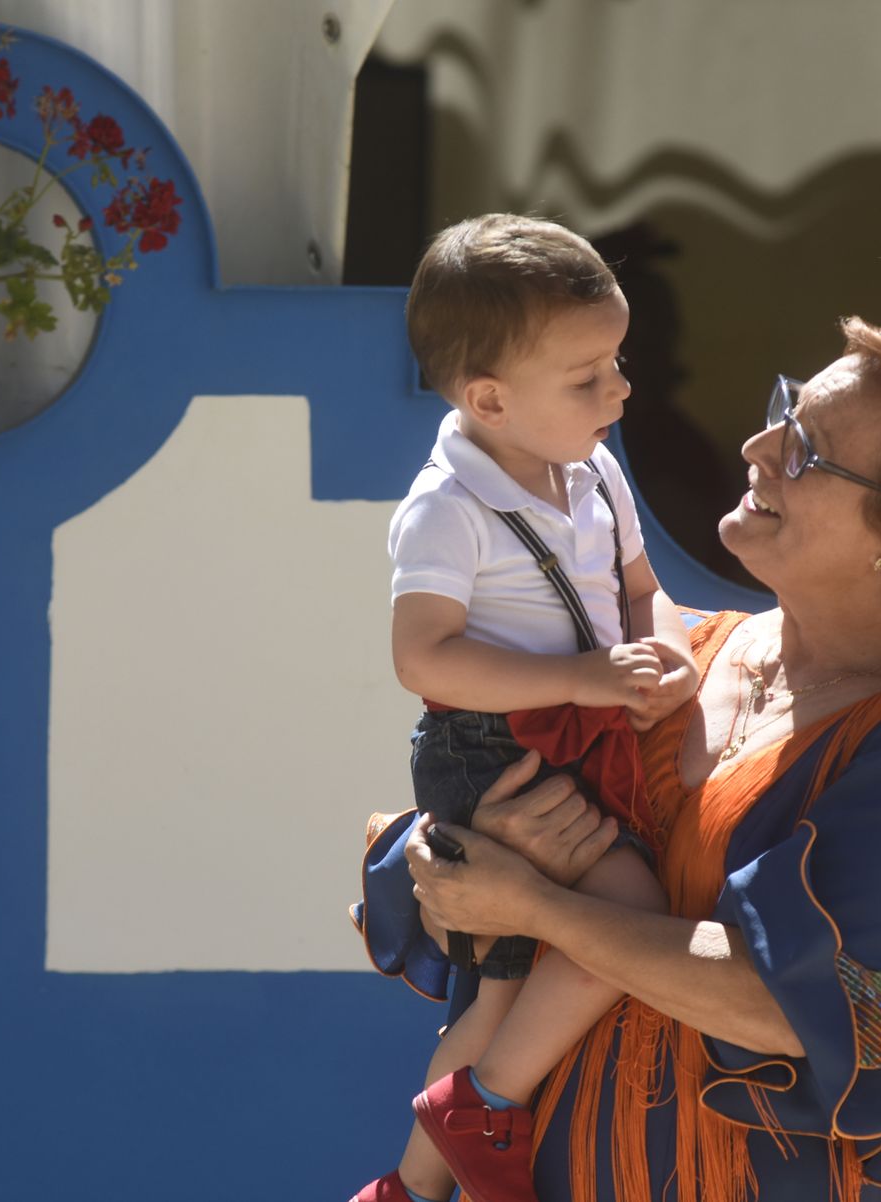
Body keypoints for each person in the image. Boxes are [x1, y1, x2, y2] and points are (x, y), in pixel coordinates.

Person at [367, 317, 881, 1202]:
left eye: (806, 448)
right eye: (787, 408)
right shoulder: (658, 658)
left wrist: (537, 903)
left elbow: (782, 1004)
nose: (756, 444)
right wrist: (468, 862)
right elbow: (445, 906)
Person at [351, 214, 698, 1202]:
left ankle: (408, 1186)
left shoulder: (594, 469)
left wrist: (662, 646)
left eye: (617, 361)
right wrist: (585, 681)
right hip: (491, 751)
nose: (620, 389)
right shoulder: (445, 508)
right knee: (626, 917)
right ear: (489, 398)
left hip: (574, 738)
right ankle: (487, 1102)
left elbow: (640, 587)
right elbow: (423, 656)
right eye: (586, 378)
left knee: (501, 986)